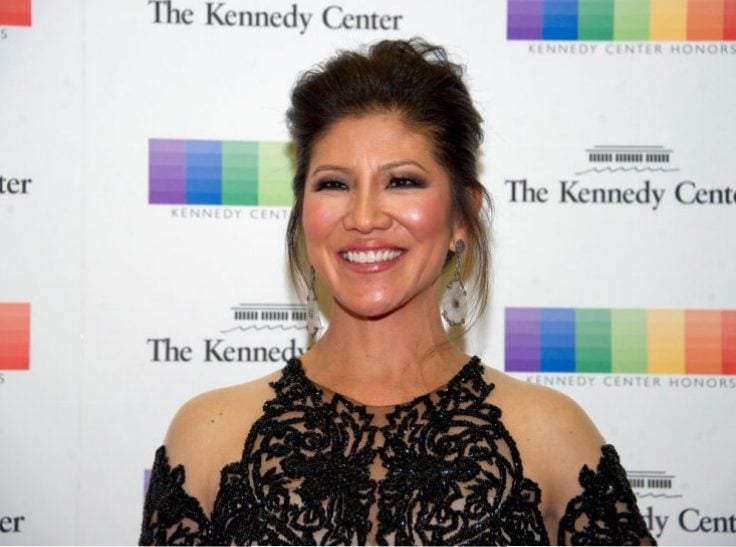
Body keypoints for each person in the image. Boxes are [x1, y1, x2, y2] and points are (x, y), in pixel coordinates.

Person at [140, 39, 655, 546]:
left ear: (463, 215)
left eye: (403, 181)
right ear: (303, 214)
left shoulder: (552, 438)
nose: (364, 217)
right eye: (334, 184)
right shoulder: (207, 437)